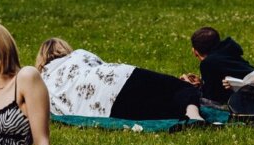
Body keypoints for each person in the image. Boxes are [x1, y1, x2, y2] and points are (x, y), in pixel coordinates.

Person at [37, 38, 208, 122]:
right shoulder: (78, 54)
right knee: (177, 87)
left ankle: (185, 115)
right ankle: (193, 115)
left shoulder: (43, 83)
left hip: (106, 109)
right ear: (65, 49)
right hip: (120, 78)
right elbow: (99, 66)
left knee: (155, 110)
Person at [184, 26, 254, 104]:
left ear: (195, 52)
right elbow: (218, 88)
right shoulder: (227, 52)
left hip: (250, 101)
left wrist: (189, 87)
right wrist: (202, 83)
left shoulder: (209, 62)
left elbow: (210, 99)